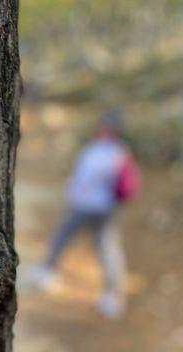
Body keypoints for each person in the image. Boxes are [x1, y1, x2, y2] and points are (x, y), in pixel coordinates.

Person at [31, 111, 133, 319]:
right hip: (81, 205)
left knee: (107, 248)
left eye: (105, 125)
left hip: (102, 209)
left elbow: (113, 181)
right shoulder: (94, 147)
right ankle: (47, 271)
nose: (101, 128)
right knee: (63, 236)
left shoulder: (118, 153)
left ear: (114, 130)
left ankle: (113, 296)